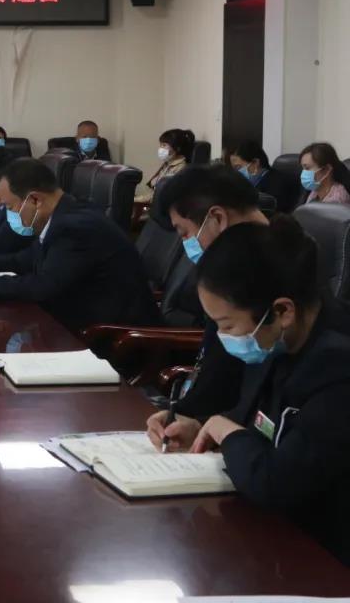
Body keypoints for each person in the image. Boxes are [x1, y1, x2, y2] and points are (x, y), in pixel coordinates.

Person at [171, 220, 350, 565]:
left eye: (227, 325)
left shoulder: (338, 368)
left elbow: (277, 483)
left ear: (282, 311)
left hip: (325, 554)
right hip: (277, 529)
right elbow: (253, 420)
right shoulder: (279, 339)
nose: (223, 337)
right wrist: (203, 428)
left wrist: (225, 431)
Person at [0, 158, 158, 333]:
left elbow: (43, 286)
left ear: (35, 200)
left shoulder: (75, 227)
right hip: (79, 321)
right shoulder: (65, 213)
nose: (9, 214)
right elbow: (23, 260)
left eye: (10, 207)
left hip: (112, 337)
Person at [143, 166, 269, 442]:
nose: (186, 245)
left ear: (218, 218)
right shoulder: (229, 270)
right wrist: (189, 419)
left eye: (185, 233)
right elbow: (216, 370)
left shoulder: (271, 274)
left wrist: (211, 428)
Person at [230, 140, 297, 212]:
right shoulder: (245, 183)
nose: (236, 172)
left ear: (255, 163)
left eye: (238, 167)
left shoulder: (278, 183)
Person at [136, 129, 194, 203]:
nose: (160, 149)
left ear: (177, 148)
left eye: (164, 145)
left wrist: (136, 199)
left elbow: (162, 195)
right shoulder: (168, 164)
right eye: (160, 145)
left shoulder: (180, 168)